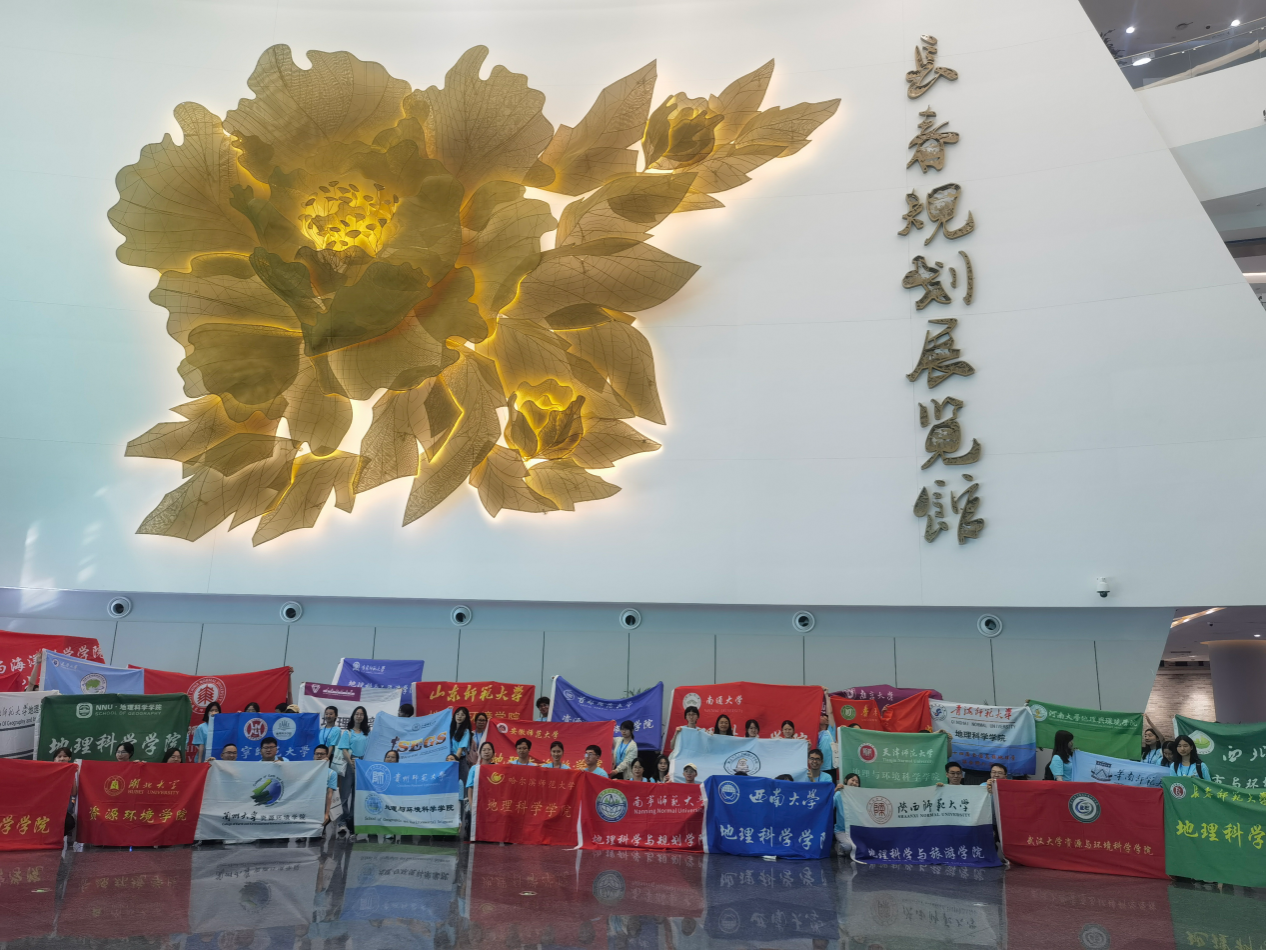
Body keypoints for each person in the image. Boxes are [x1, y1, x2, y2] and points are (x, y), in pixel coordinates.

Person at [336, 706, 370, 837]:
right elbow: (344, 750)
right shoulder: (348, 733)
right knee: (345, 795)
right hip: (350, 763)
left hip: (363, 765)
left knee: (357, 796)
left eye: (361, 714)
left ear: (364, 717)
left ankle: (352, 822)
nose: (359, 716)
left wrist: (361, 765)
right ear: (353, 716)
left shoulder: (367, 734)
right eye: (357, 714)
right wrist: (352, 764)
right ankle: (342, 822)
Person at [314, 744, 338, 829]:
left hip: (321, 805)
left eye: (322, 754)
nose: (319, 756)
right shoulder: (307, 770)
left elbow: (329, 794)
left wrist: (326, 814)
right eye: (317, 754)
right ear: (313, 756)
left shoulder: (332, 773)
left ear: (327, 756)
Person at [818, 712, 836, 780]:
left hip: (830, 767)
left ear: (827, 722)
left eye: (823, 717)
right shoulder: (815, 733)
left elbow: (830, 713)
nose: (820, 717)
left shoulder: (831, 731)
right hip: (819, 766)